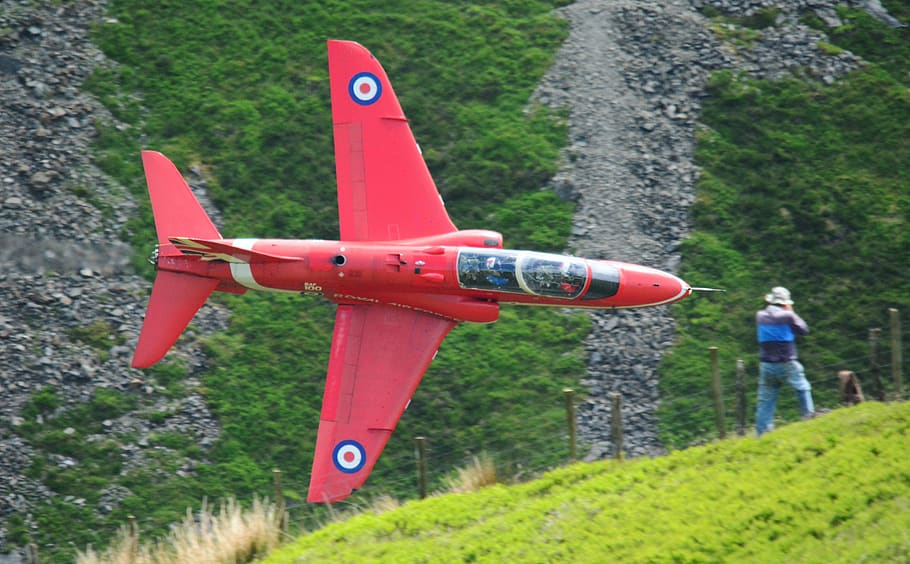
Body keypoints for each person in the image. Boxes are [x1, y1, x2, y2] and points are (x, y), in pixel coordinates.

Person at [755, 286, 814, 436]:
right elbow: (804, 330)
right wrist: (791, 312)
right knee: (803, 388)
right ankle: (809, 419)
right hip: (786, 362)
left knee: (765, 401)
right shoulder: (788, 316)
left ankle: (762, 434)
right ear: (785, 303)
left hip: (766, 365)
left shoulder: (760, 315)